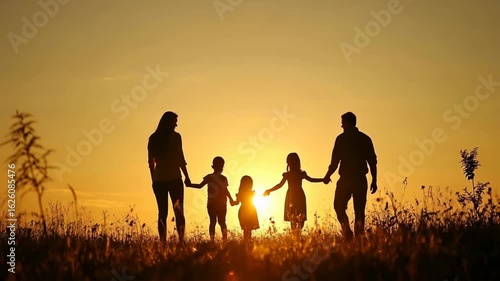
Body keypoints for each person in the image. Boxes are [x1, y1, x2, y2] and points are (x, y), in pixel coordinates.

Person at [323, 112, 378, 240]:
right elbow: (372, 161)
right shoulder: (362, 139)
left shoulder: (343, 139)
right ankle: (349, 233)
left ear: (349, 123)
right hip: (354, 180)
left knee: (352, 209)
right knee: (342, 207)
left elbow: (372, 161)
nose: (341, 125)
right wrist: (374, 180)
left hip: (352, 179)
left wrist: (374, 180)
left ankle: (354, 237)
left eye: (343, 122)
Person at [148, 111, 191, 244]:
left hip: (159, 180)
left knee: (162, 213)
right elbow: (180, 158)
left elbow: (151, 162)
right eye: (175, 121)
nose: (176, 124)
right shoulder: (176, 137)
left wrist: (154, 179)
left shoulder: (153, 138)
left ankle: (163, 242)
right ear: (169, 122)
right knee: (178, 211)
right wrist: (187, 176)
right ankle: (181, 241)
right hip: (174, 179)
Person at [264, 153, 323, 235]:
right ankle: (296, 236)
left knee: (299, 219)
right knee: (294, 219)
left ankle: (296, 234)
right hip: (294, 196)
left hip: (294, 196)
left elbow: (311, 179)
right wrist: (270, 190)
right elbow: (280, 185)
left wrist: (322, 179)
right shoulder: (288, 175)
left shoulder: (300, 174)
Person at [186, 156, 236, 243]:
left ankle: (213, 240)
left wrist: (190, 185)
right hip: (221, 204)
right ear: (221, 167)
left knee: (213, 222)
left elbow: (199, 186)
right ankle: (224, 240)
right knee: (222, 222)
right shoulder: (223, 178)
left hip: (212, 204)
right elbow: (226, 191)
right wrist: (231, 200)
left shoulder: (209, 177)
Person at [232, 175, 259, 241]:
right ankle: (247, 241)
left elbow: (237, 202)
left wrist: (232, 202)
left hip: (244, 210)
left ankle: (246, 241)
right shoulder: (251, 193)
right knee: (248, 228)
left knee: (246, 228)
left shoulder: (241, 193)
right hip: (250, 209)